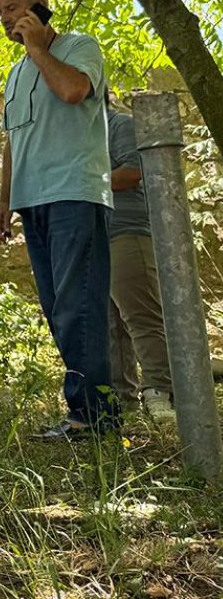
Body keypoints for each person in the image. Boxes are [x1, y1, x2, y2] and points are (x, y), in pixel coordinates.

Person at [0, 0, 120, 440]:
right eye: (1, 11)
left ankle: (93, 416)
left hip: (74, 193)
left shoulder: (79, 46)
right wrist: (4, 201)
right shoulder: (16, 73)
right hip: (32, 200)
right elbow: (12, 140)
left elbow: (72, 91)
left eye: (15, 8)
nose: (5, 17)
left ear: (41, 9)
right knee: (56, 306)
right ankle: (88, 412)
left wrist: (40, 48)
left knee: (77, 305)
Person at [106, 95, 175, 421]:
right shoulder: (77, 135)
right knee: (111, 325)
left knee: (142, 317)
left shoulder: (119, 124)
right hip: (96, 236)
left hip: (126, 232)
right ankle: (125, 400)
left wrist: (78, 182)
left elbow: (131, 173)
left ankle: (160, 394)